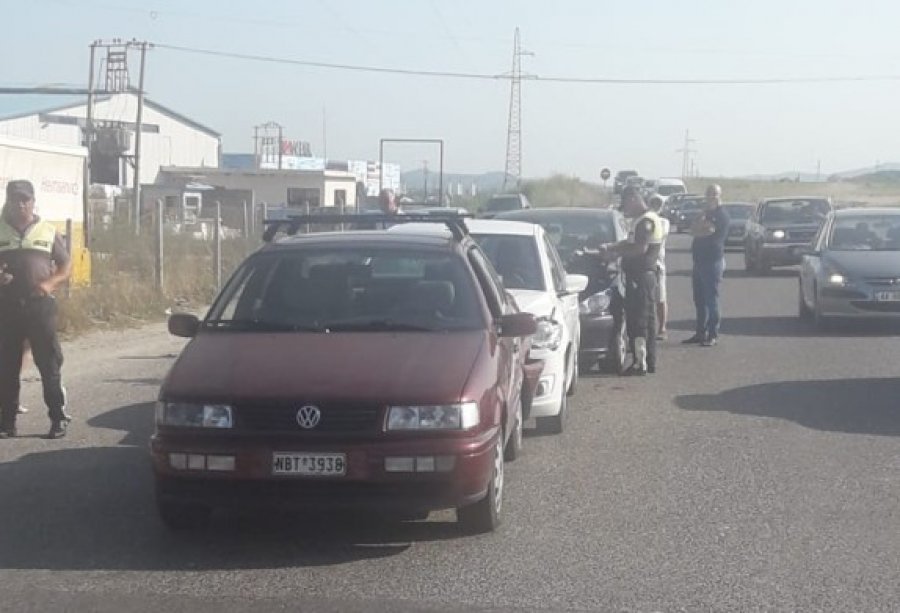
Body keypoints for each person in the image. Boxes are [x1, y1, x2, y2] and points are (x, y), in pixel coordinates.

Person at [0, 180, 72, 439]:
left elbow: (65, 266)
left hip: (39, 306)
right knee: (7, 366)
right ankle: (7, 423)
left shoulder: (47, 231)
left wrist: (49, 283)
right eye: (15, 199)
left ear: (33, 202)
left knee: (48, 364)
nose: (21, 204)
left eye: (25, 200)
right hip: (7, 306)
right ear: (8, 201)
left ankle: (58, 419)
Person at [596, 186, 663, 375]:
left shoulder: (645, 222)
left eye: (625, 204)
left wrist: (615, 254)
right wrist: (612, 246)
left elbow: (639, 249)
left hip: (640, 277)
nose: (624, 209)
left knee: (638, 320)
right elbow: (630, 243)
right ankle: (648, 360)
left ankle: (639, 364)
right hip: (644, 277)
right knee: (647, 319)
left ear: (633, 199)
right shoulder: (644, 219)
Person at [683, 184, 730, 347]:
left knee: (711, 299)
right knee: (699, 299)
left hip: (712, 261)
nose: (711, 196)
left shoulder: (721, 215)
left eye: (714, 194)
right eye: (708, 193)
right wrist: (699, 227)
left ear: (719, 195)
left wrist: (699, 229)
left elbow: (708, 231)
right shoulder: (704, 213)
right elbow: (693, 230)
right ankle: (700, 332)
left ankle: (713, 334)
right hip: (699, 260)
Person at [647, 195, 671, 340]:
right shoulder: (644, 220)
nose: (655, 206)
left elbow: (659, 234)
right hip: (644, 263)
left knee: (660, 297)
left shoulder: (664, 222)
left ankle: (662, 327)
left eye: (658, 204)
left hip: (658, 264)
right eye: (653, 203)